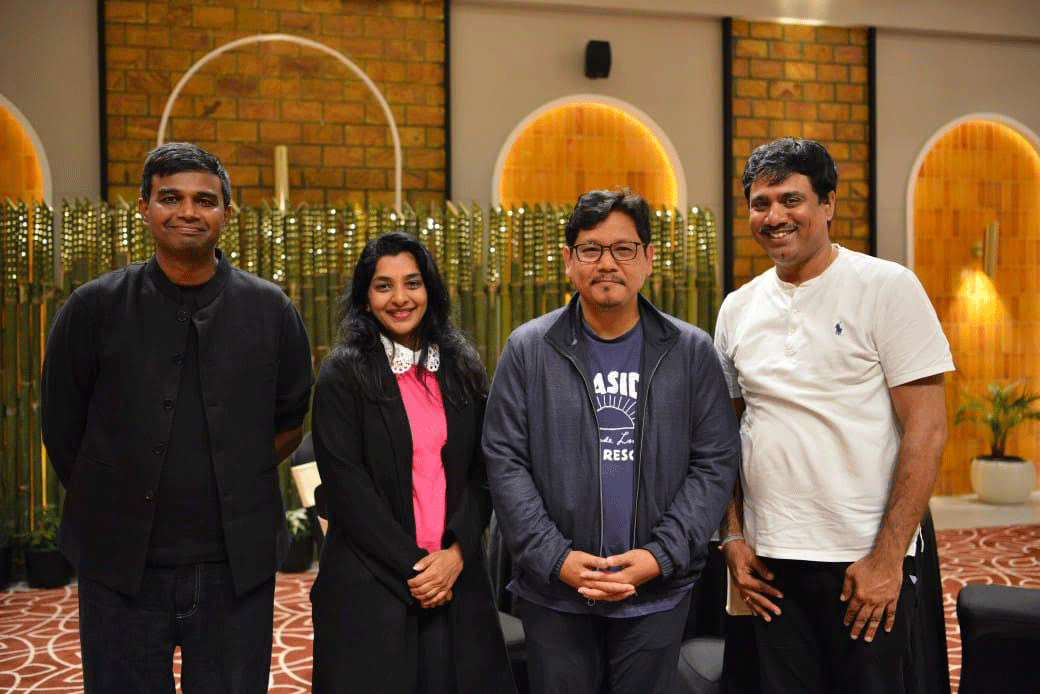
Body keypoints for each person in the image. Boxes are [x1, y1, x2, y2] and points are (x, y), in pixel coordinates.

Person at [41, 142, 314, 692]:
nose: (188, 212)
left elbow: (291, 418)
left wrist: (236, 474)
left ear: (226, 214)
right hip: (119, 565)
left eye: (204, 200)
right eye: (171, 198)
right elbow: (63, 427)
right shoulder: (94, 308)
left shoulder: (270, 310)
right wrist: (114, 489)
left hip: (236, 569)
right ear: (144, 208)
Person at [714, 137, 954, 694]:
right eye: (760, 203)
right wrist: (732, 536)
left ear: (827, 205)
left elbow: (927, 429)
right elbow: (725, 435)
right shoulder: (737, 308)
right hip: (769, 563)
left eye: (790, 199)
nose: (774, 216)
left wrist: (888, 558)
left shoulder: (887, 287)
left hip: (861, 561)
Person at [483, 189, 741, 694]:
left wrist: (659, 556)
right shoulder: (528, 350)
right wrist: (557, 559)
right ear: (568, 260)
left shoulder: (690, 352)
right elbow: (504, 461)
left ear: (647, 258)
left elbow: (714, 462)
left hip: (656, 593)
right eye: (591, 249)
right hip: (555, 594)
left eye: (624, 249)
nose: (607, 263)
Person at [309, 231, 514, 694]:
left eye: (412, 283)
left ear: (430, 290)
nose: (400, 298)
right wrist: (419, 569)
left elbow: (483, 472)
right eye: (383, 286)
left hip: (455, 575)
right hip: (375, 580)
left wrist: (454, 556)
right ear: (365, 298)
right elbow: (348, 489)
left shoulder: (461, 366)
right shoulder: (343, 373)